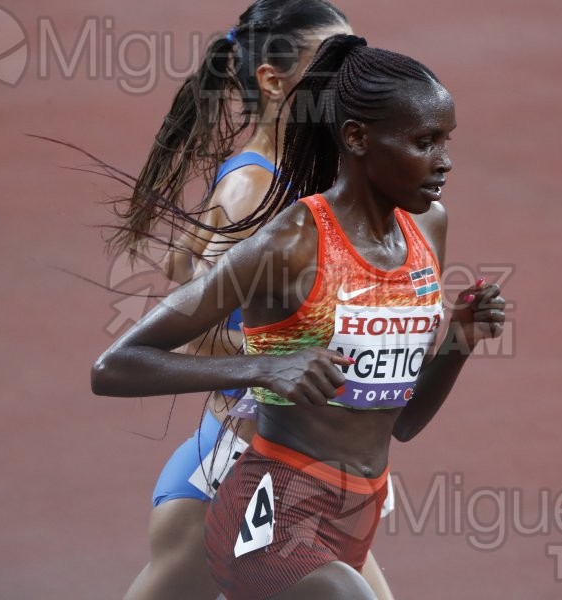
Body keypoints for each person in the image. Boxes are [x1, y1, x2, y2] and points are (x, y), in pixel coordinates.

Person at [93, 34, 506, 599]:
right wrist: (261, 369)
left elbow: (401, 423)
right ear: (357, 138)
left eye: (446, 141)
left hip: (357, 514)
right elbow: (115, 366)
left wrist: (460, 339)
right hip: (270, 511)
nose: (445, 161)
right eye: (425, 141)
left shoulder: (429, 227)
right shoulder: (292, 242)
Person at [108, 2, 395, 599]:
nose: (351, 80)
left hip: (290, 456)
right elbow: (197, 335)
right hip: (247, 458)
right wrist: (279, 355)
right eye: (332, 66)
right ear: (272, 80)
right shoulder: (255, 188)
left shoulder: (303, 176)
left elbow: (181, 262)